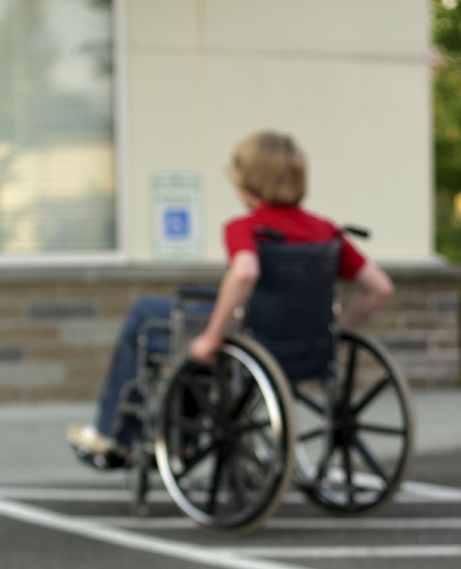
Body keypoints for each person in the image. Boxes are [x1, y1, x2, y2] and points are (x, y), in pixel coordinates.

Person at [67, 131, 393, 465]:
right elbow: (380, 288)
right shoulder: (326, 231)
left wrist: (212, 335)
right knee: (191, 329)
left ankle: (110, 434)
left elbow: (245, 273)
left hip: (252, 339)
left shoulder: (248, 228)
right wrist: (331, 333)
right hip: (304, 348)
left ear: (248, 183)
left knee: (147, 315)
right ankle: (182, 439)